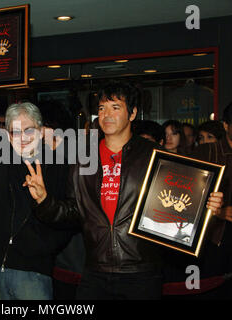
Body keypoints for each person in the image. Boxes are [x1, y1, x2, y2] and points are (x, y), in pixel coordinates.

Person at [23, 80, 224, 300]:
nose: (106, 114)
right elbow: (74, 212)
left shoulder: (153, 155)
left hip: (141, 272)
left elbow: (178, 205)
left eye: (115, 107)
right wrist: (44, 200)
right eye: (101, 108)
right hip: (94, 271)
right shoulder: (83, 157)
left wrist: (205, 207)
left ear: (132, 113)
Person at [0, 26, 73, 300]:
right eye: (14, 131)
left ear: (41, 129)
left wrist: (43, 246)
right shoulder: (0, 158)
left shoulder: (58, 162)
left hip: (33, 271)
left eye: (28, 130)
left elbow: (70, 215)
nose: (21, 137)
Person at [162, 102, 232, 299]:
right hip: (217, 238)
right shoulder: (208, 152)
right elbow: (188, 197)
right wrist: (221, 211)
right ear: (226, 126)